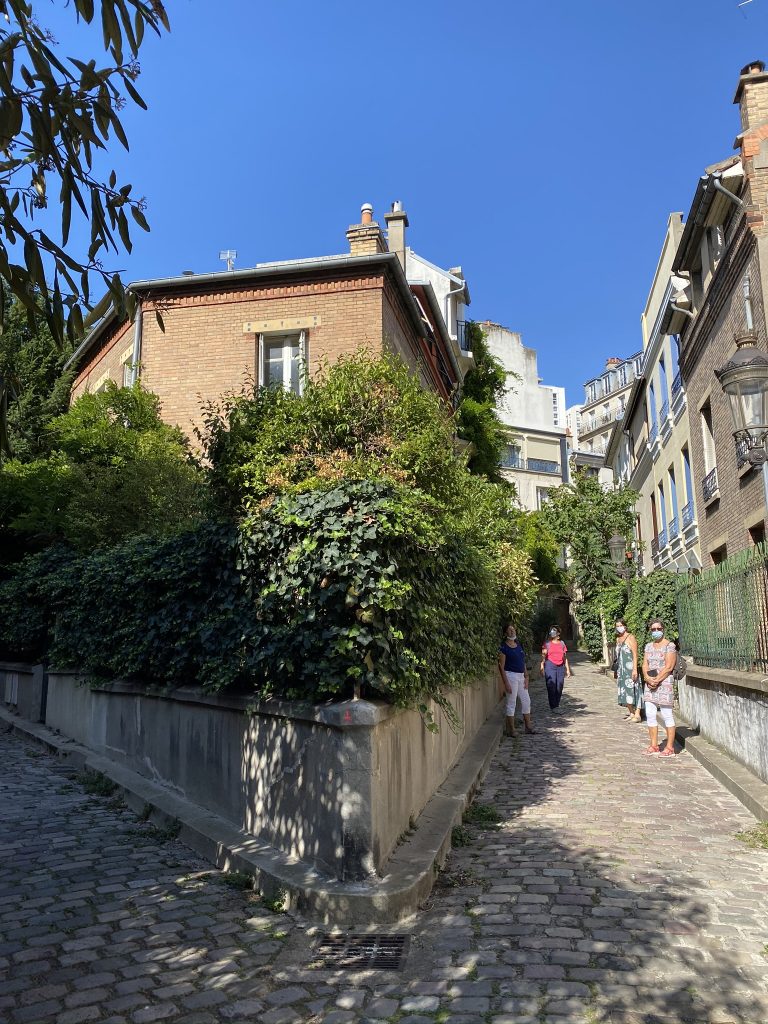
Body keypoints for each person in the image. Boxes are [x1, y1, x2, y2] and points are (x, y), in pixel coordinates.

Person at [641, 618, 678, 757]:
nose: (656, 631)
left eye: (659, 629)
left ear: (663, 629)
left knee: (667, 714)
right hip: (650, 683)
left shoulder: (670, 645)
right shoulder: (648, 646)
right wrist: (646, 677)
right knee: (650, 714)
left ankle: (669, 747)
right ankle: (654, 745)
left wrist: (657, 680)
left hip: (664, 684)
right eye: (653, 629)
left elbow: (669, 666)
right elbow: (645, 663)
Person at [498, 623, 535, 737]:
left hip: (521, 676)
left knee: (526, 700)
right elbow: (501, 666)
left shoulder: (519, 645)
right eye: (509, 630)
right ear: (505, 633)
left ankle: (528, 727)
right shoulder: (504, 647)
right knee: (511, 702)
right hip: (511, 676)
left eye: (513, 630)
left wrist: (526, 676)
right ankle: (511, 729)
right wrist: (506, 682)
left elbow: (522, 661)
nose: (512, 632)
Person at [614, 618, 641, 722]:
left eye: (620, 625)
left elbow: (635, 654)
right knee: (624, 690)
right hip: (622, 670)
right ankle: (631, 712)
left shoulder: (631, 637)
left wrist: (634, 669)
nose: (619, 627)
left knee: (634, 689)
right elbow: (617, 656)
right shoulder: (618, 639)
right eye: (617, 626)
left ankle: (637, 714)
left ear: (625, 626)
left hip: (630, 669)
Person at [540, 625, 571, 711]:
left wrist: (567, 669)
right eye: (551, 630)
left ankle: (556, 704)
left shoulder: (562, 643)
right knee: (551, 686)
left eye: (554, 630)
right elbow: (543, 657)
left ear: (558, 633)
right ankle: (553, 706)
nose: (552, 632)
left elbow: (565, 657)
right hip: (550, 665)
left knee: (559, 686)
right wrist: (542, 666)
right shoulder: (547, 644)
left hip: (560, 666)